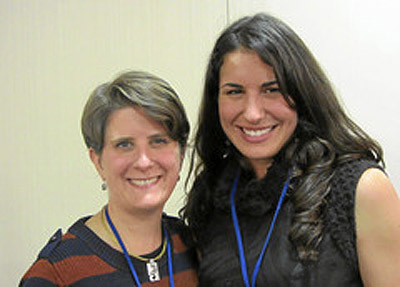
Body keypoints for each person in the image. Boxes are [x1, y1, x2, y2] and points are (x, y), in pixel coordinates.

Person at [181, 12, 400, 287]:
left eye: (271, 90)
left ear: (301, 92)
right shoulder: (212, 192)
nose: (252, 114)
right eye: (234, 92)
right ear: (216, 100)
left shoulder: (360, 188)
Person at [20, 71, 198, 286]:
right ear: (98, 161)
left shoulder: (196, 248)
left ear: (180, 153)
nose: (143, 161)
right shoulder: (55, 273)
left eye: (158, 141)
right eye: (124, 144)